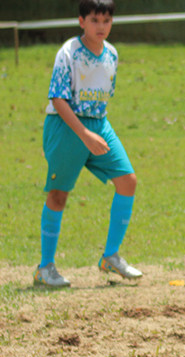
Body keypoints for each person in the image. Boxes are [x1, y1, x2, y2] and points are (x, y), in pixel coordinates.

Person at [35, 0, 142, 289]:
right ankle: (45, 268)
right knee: (58, 194)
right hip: (67, 125)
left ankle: (110, 256)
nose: (101, 27)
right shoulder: (69, 52)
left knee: (128, 181)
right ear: (81, 21)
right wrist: (83, 134)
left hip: (98, 124)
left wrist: (94, 131)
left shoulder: (112, 54)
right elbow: (57, 98)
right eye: (95, 20)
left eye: (106, 21)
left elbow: (105, 95)